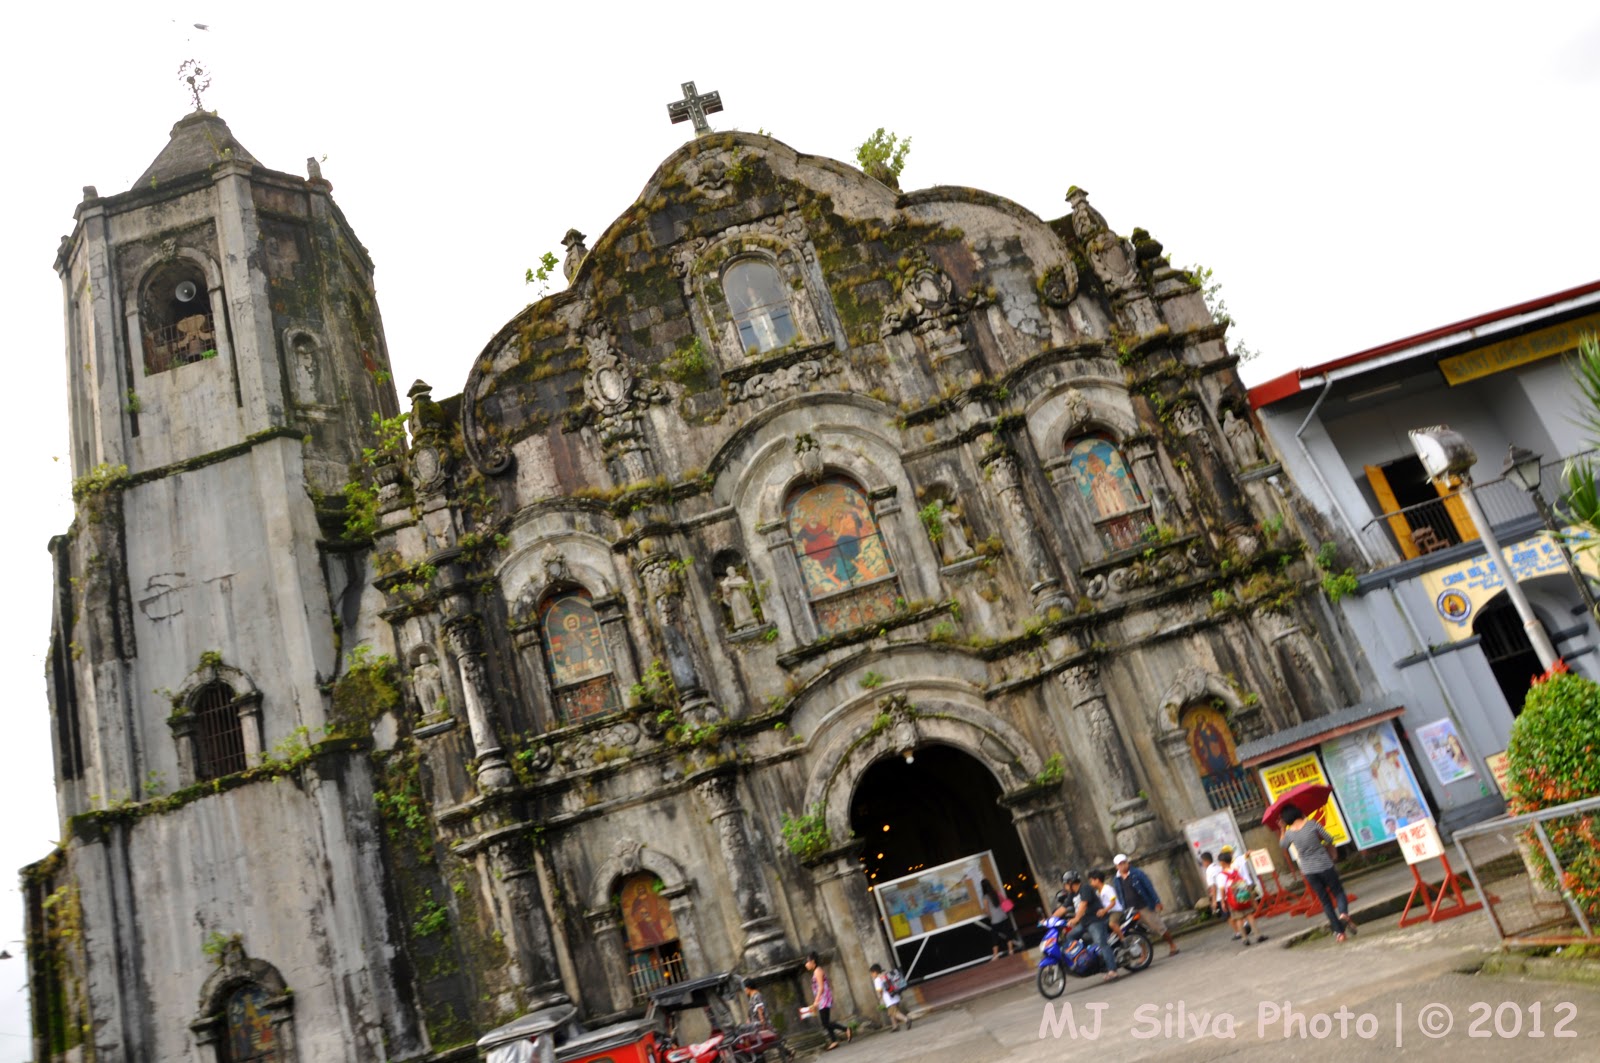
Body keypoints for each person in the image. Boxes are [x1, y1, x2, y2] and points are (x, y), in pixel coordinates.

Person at [1278, 804, 1357, 941]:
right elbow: (1329, 838)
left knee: (1325, 901)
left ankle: (1339, 933)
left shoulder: (1290, 833)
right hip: (1324, 864)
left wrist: (1282, 829)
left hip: (1309, 870)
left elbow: (1283, 845)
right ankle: (1343, 914)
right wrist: (1320, 842)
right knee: (1338, 892)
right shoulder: (1312, 824)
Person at [1051, 870, 1120, 981]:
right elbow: (1062, 908)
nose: (1065, 886)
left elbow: (1083, 904)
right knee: (1070, 936)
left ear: (1071, 882)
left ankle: (1112, 970)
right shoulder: (1072, 894)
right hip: (1084, 923)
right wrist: (1050, 920)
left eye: (1065, 883)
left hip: (1096, 921)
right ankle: (1085, 960)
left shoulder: (1085, 889)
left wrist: (1076, 918)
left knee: (1101, 943)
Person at [1111, 853, 1180, 957]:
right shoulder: (1116, 879)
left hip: (1144, 906)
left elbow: (1149, 887)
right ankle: (1144, 954)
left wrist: (1157, 901)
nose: (1122, 866)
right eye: (1120, 864)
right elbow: (1119, 894)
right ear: (1116, 866)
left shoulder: (1137, 873)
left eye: (1124, 863)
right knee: (1137, 933)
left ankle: (1172, 945)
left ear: (1127, 862)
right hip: (1130, 909)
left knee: (1158, 926)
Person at [1215, 849, 1267, 945]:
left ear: (1221, 863)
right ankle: (1258, 934)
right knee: (1249, 915)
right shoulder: (1235, 869)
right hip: (1243, 895)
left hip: (1232, 899)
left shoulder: (1221, 876)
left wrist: (1223, 901)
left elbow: (1222, 890)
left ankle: (1244, 938)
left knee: (1239, 919)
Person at [804, 951, 852, 1050]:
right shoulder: (817, 970)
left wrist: (816, 1001)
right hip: (823, 998)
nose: (806, 964)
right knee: (826, 1022)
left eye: (807, 961)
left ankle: (845, 1029)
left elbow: (821, 987)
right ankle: (834, 1041)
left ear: (813, 961)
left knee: (825, 1023)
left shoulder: (817, 971)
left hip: (823, 999)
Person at [980, 879, 1019, 960]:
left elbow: (987, 910)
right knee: (1008, 933)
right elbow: (1003, 901)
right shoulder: (995, 892)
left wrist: (990, 917)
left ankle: (995, 954)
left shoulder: (985, 897)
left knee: (994, 937)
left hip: (995, 919)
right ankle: (1011, 950)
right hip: (1003, 916)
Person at [868, 964, 911, 1032]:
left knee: (894, 1013)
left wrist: (880, 996)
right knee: (890, 1013)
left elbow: (879, 990)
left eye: (871, 973)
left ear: (875, 972)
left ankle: (906, 1019)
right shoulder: (885, 975)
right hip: (895, 995)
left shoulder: (877, 980)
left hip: (889, 999)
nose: (871, 975)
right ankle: (895, 1026)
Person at [1090, 868, 1124, 944]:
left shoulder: (1107, 889)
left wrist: (1104, 910)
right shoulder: (1098, 892)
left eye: (1092, 881)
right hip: (1108, 913)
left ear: (1097, 880)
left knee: (1111, 924)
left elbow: (1113, 902)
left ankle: (1122, 938)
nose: (1091, 883)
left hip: (1116, 911)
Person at [1199, 851, 1226, 922]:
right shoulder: (1218, 867)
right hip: (1226, 893)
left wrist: (1214, 900)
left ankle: (1238, 932)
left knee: (1227, 916)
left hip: (1219, 896)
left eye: (1202, 861)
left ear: (1206, 861)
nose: (1202, 863)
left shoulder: (1209, 871)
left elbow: (1213, 886)